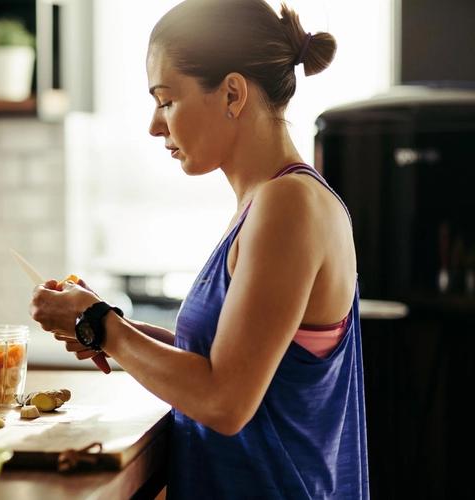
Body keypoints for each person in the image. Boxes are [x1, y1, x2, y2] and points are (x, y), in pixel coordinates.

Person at [29, 0, 369, 498]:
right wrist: (109, 327)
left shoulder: (288, 205)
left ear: (233, 93)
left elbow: (225, 402)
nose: (154, 124)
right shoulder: (267, 203)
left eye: (166, 100)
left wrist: (100, 324)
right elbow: (229, 364)